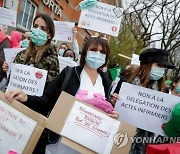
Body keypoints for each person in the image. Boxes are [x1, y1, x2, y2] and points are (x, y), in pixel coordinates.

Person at [5, 36, 119, 153]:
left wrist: (112, 115)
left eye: (102, 52)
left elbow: (104, 112)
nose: (97, 55)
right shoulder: (70, 74)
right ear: (85, 53)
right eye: (94, 50)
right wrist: (26, 97)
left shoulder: (106, 81)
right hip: (60, 145)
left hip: (88, 147)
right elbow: (47, 99)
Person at [2, 14, 59, 89]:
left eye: (43, 28)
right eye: (35, 26)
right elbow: (10, 81)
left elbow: (52, 89)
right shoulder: (21, 54)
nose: (37, 30)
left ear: (49, 35)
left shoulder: (52, 60)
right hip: (12, 98)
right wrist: (8, 69)